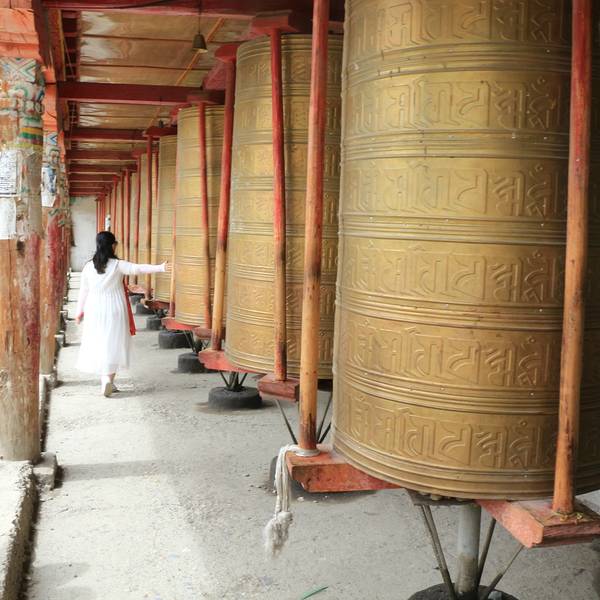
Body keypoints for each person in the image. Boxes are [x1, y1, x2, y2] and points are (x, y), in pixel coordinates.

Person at [75, 231, 171, 397]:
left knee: (100, 342)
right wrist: (161, 267)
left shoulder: (88, 267)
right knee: (114, 343)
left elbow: (84, 290)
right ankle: (108, 380)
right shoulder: (117, 265)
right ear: (113, 246)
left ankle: (106, 380)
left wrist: (79, 311)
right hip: (115, 307)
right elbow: (138, 268)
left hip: (94, 308)